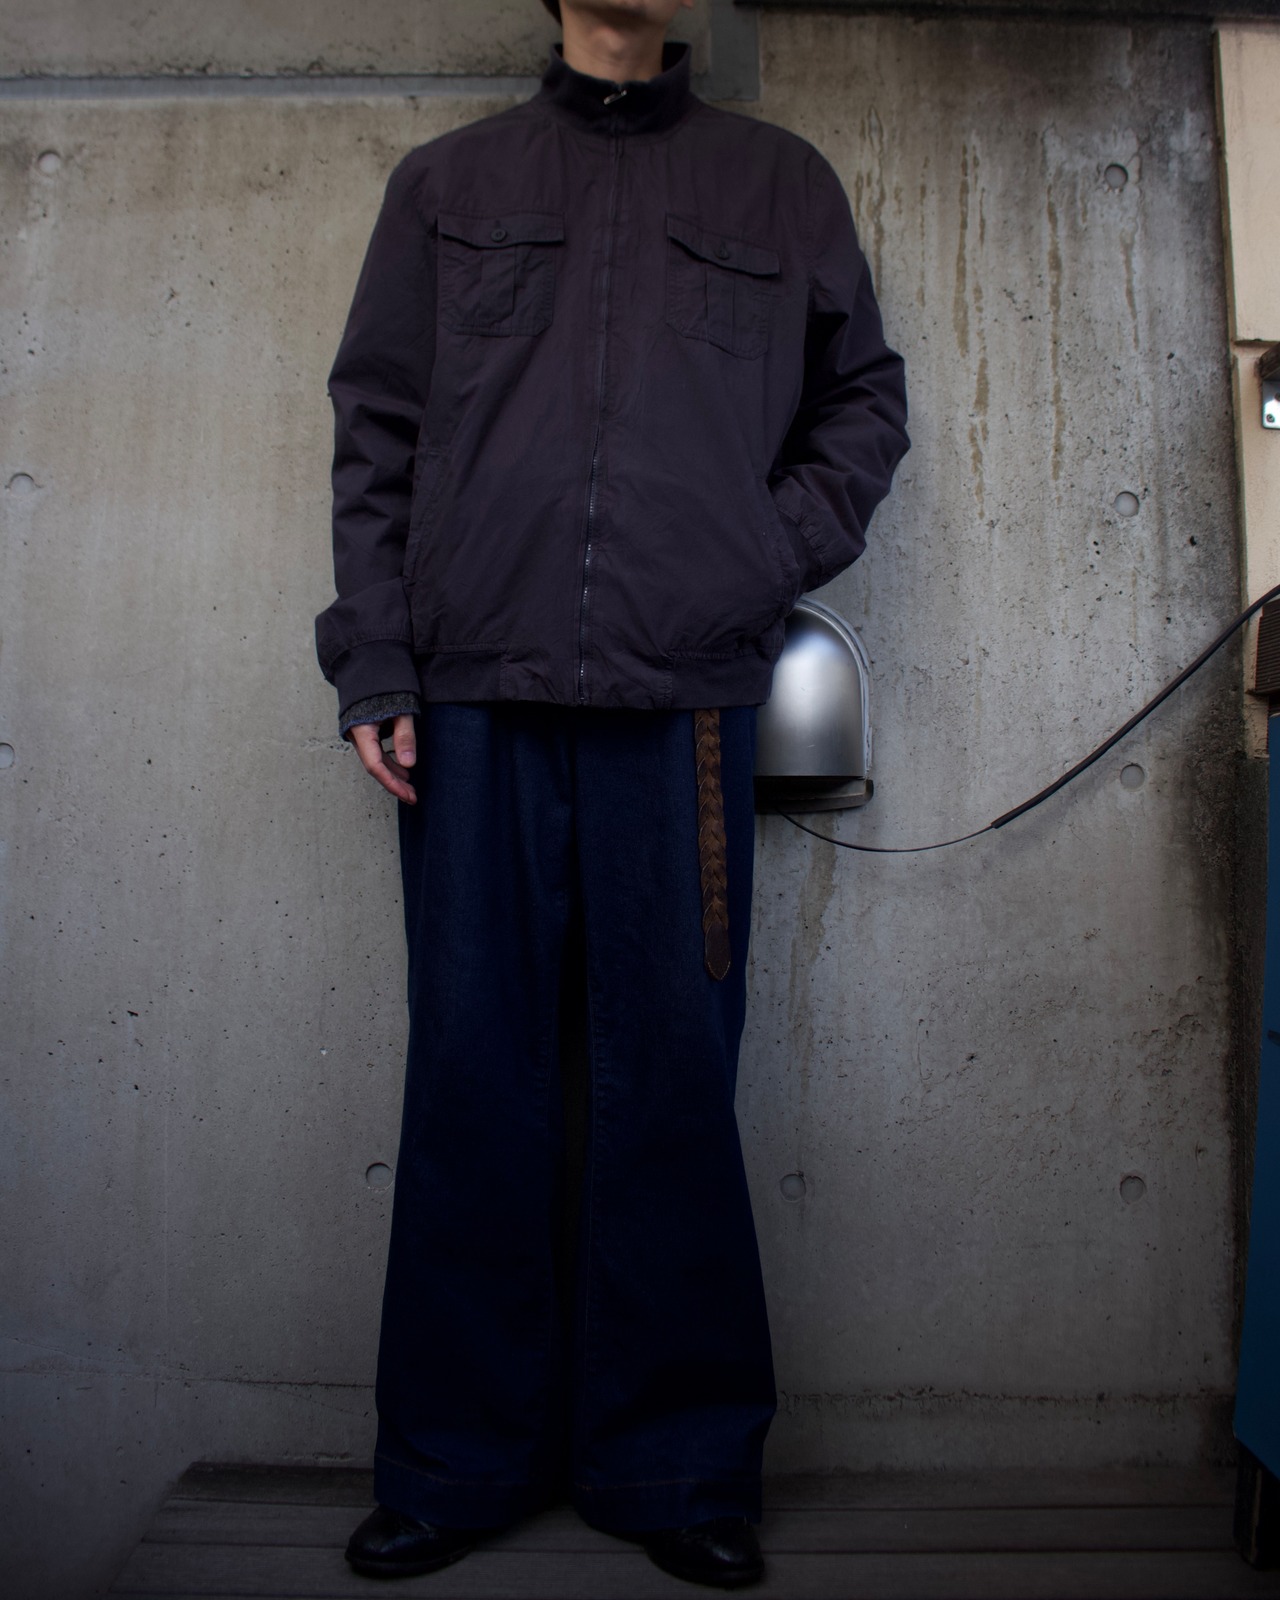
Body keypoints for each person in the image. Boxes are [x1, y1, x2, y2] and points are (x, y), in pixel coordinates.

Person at [314, 0, 909, 1586]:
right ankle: (453, 1464)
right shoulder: (450, 184)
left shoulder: (778, 183)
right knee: (473, 1079)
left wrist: (754, 556)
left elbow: (864, 404)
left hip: (684, 703)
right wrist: (376, 663)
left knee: (672, 1086)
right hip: (472, 699)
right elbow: (376, 430)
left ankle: (680, 1467)